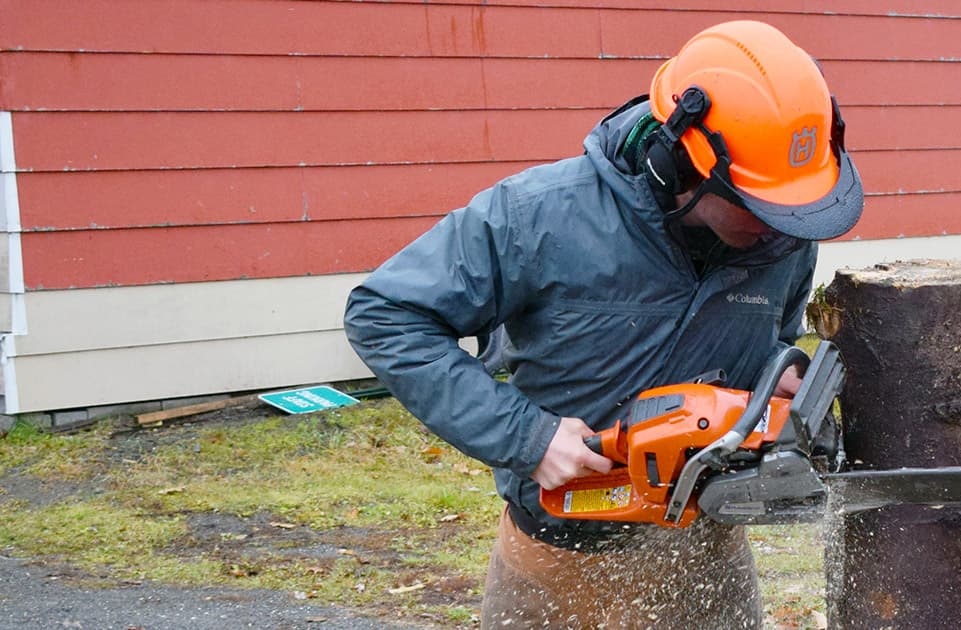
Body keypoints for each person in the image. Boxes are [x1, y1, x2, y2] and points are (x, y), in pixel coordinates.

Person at [344, 19, 863, 629]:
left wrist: (775, 375)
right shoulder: (539, 216)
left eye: (795, 210)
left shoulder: (782, 238)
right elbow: (386, 313)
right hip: (556, 562)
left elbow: (771, 333)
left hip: (707, 554)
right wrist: (525, 439)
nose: (782, 228)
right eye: (761, 206)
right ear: (683, 163)